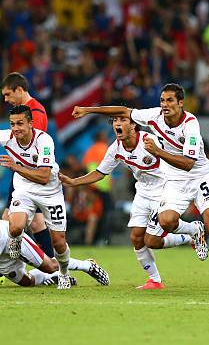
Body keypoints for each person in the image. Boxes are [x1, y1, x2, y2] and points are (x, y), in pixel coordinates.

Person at [71, 83, 209, 293]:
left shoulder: (190, 124)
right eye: (162, 100)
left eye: (170, 100)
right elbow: (123, 111)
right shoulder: (152, 116)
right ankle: (192, 231)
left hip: (201, 177)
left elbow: (188, 163)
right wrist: (89, 110)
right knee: (166, 221)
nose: (165, 105)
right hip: (175, 181)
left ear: (181, 103)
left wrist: (158, 152)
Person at [60, 117, 194, 290]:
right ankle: (155, 280)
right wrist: (73, 182)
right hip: (143, 192)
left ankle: (192, 232)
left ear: (133, 125)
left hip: (164, 189)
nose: (117, 124)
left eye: (122, 120)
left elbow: (177, 156)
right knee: (137, 238)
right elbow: (100, 173)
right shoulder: (115, 148)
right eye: (115, 121)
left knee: (152, 240)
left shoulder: (150, 140)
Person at [0, 105, 106, 289]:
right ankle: (15, 244)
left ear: (31, 124)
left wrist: (15, 167)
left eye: (20, 123)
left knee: (58, 241)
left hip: (50, 191)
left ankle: (63, 274)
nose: (16, 128)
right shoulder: (7, 136)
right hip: (24, 189)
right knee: (15, 226)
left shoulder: (44, 141)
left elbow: (43, 177)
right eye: (12, 124)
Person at [0, 72, 54, 285]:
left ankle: (0, 272)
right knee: (37, 224)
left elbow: (33, 146)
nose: (5, 99)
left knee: (8, 224)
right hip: (21, 176)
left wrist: (2, 160)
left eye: (7, 94)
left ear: (20, 90)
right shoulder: (26, 111)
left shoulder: (35, 113)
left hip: (28, 178)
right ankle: (52, 269)